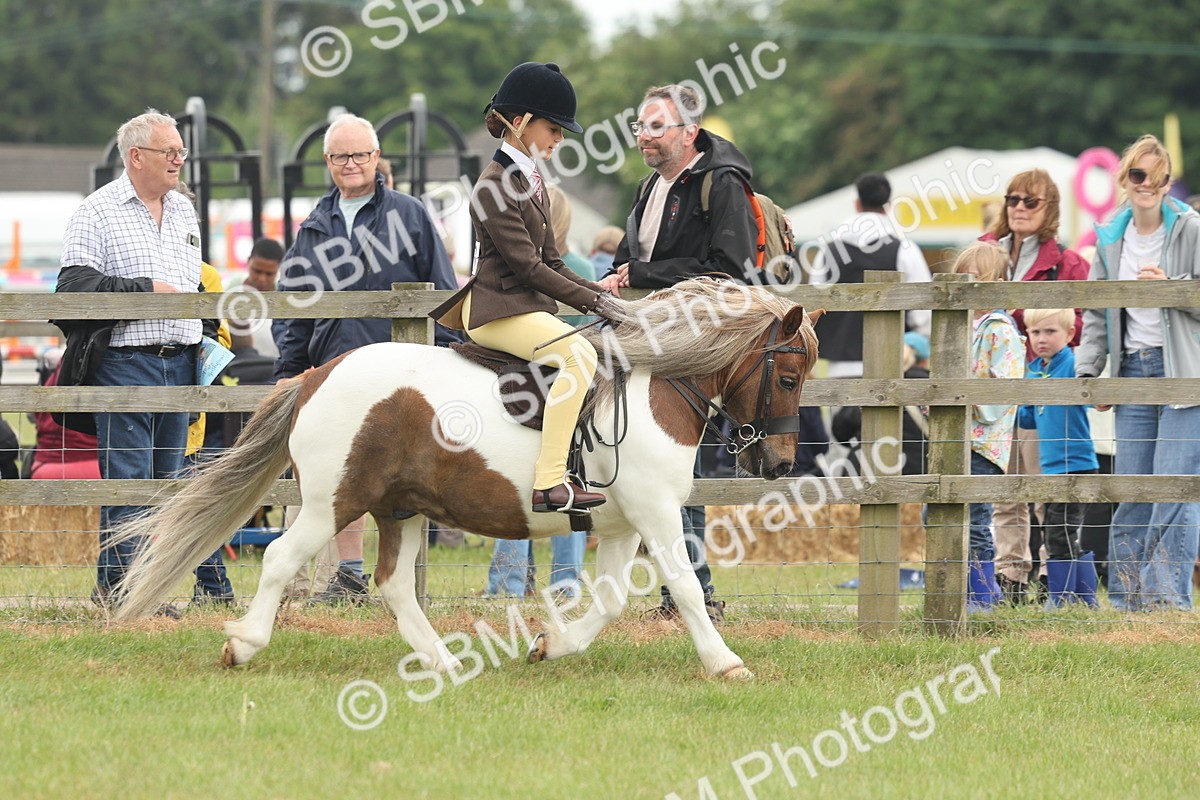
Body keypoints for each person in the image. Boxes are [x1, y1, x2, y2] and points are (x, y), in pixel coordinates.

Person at [275, 113, 459, 604]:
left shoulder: (409, 214)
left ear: (376, 157)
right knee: (336, 470)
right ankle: (342, 578)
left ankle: (396, 581)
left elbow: (442, 290)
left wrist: (445, 355)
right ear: (327, 161)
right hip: (333, 367)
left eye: (360, 154)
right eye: (341, 156)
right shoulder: (313, 226)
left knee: (403, 476)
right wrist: (289, 369)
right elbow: (293, 304)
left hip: (399, 371)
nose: (351, 163)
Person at [597, 83, 760, 623]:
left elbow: (731, 271)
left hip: (697, 344)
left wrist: (643, 274)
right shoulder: (649, 186)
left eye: (655, 127)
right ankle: (680, 595)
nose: (643, 136)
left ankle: (695, 595)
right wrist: (615, 277)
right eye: (639, 127)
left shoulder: (722, 183)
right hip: (647, 336)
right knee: (652, 465)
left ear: (690, 132)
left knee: (674, 470)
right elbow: (630, 258)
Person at [431, 61, 617, 516]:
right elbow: (529, 268)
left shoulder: (532, 180)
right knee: (578, 356)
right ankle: (550, 482)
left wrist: (600, 294)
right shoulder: (492, 186)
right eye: (553, 129)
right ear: (519, 122)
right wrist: (595, 302)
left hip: (524, 308)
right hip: (496, 310)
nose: (559, 139)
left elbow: (553, 261)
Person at [56, 108, 217, 618]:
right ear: (135, 157)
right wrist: (143, 290)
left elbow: (194, 285)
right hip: (125, 362)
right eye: (168, 151)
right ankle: (136, 599)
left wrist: (205, 334)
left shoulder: (185, 210)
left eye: (181, 150)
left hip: (183, 360)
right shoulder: (96, 212)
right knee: (130, 484)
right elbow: (72, 289)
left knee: (164, 486)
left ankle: (118, 591)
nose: (178, 158)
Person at [1076, 133, 1200, 611]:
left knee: (1174, 490)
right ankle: (1129, 603)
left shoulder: (1190, 229)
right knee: (1132, 491)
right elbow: (1094, 313)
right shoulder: (1110, 238)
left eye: (1157, 176)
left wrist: (1174, 288)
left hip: (1183, 370)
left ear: (1168, 183)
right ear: (1124, 178)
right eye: (1137, 174)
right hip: (1130, 368)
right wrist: (1091, 373)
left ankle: (1165, 603)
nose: (1147, 184)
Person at [980, 168, 1090, 603]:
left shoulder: (1068, 264)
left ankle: (1050, 575)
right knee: (1004, 492)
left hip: (1043, 389)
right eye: (1013, 199)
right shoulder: (984, 253)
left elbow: (1081, 325)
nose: (1020, 208)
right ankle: (1010, 575)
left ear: (1051, 208)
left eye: (1031, 201)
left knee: (1044, 488)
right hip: (992, 391)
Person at [482, 183, 595, 596]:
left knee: (517, 479)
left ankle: (507, 583)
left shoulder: (526, 264)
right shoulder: (579, 266)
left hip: (521, 383)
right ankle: (565, 583)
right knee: (568, 477)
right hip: (566, 387)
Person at [955, 242, 1025, 610]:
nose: (965, 287)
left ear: (996, 284)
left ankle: (981, 595)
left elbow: (1004, 390)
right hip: (955, 438)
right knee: (943, 513)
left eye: (973, 279)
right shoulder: (960, 325)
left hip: (984, 442)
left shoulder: (1000, 331)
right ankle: (961, 590)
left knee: (975, 519)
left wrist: (964, 399)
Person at [811, 171, 932, 379]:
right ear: (889, 206)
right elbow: (923, 311)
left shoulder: (828, 251)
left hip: (839, 366)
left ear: (857, 204)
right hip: (892, 363)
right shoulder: (905, 249)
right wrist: (917, 344)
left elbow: (814, 303)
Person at [1017, 308, 1100, 607]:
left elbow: (1095, 396)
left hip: (1076, 464)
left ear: (1070, 334)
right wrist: (1015, 405)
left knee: (1059, 533)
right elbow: (1027, 419)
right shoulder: (1034, 369)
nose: (1041, 339)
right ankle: (1084, 598)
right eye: (1035, 332)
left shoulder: (1073, 363)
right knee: (1056, 532)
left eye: (1050, 332)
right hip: (1050, 467)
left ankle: (1062, 598)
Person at [230, 237, 284, 358]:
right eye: (257, 271)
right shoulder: (228, 289)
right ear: (248, 262)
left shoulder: (284, 297)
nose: (262, 279)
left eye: (269, 274)